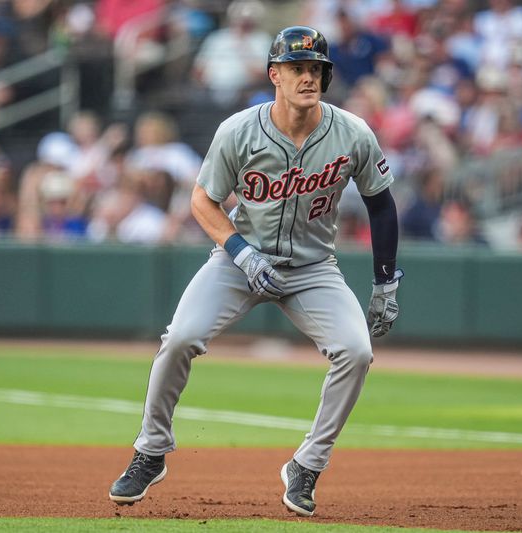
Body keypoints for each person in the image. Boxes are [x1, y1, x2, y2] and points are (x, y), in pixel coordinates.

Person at [108, 25, 403, 517]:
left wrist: (386, 282)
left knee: (355, 351)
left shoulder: (352, 132)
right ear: (274, 75)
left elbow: (381, 204)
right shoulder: (239, 130)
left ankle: (307, 465)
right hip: (238, 261)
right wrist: (240, 250)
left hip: (312, 268)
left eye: (316, 69)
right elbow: (202, 200)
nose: (308, 77)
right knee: (180, 338)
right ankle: (151, 451)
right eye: (296, 68)